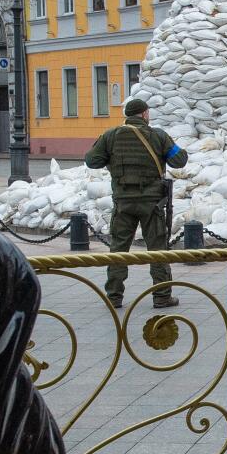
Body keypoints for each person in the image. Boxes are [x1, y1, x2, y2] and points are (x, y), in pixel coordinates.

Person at [86, 94, 187, 309]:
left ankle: (114, 296)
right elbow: (179, 160)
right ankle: (161, 296)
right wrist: (175, 148)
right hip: (152, 204)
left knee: (119, 249)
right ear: (144, 114)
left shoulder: (110, 136)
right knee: (157, 249)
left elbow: (91, 160)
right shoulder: (158, 135)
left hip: (123, 202)